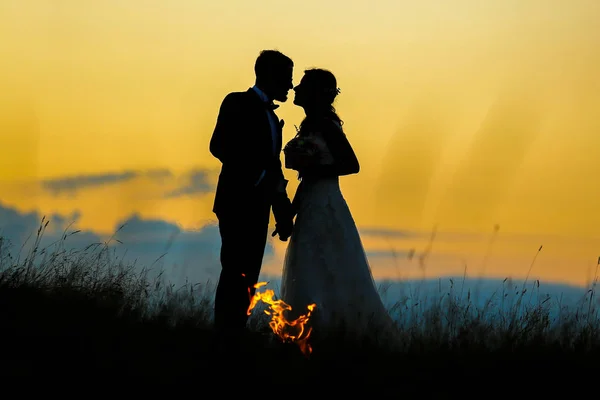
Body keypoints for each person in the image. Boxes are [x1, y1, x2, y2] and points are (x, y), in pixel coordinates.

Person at [281, 68, 398, 346]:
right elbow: (306, 178)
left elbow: (351, 164)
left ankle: (332, 336)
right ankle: (315, 338)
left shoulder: (324, 125)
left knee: (326, 268)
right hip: (312, 203)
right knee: (309, 269)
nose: (295, 88)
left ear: (314, 93)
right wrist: (291, 212)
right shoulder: (310, 123)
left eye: (302, 85)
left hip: (326, 205)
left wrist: (315, 165)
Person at [209, 50, 295, 340]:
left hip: (259, 208)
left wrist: (282, 212)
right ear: (269, 75)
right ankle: (223, 335)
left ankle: (236, 333)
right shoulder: (236, 102)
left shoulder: (273, 117)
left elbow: (275, 167)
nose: (291, 85)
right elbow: (219, 146)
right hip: (235, 202)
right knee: (234, 271)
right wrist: (257, 176)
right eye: (287, 77)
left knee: (250, 275)